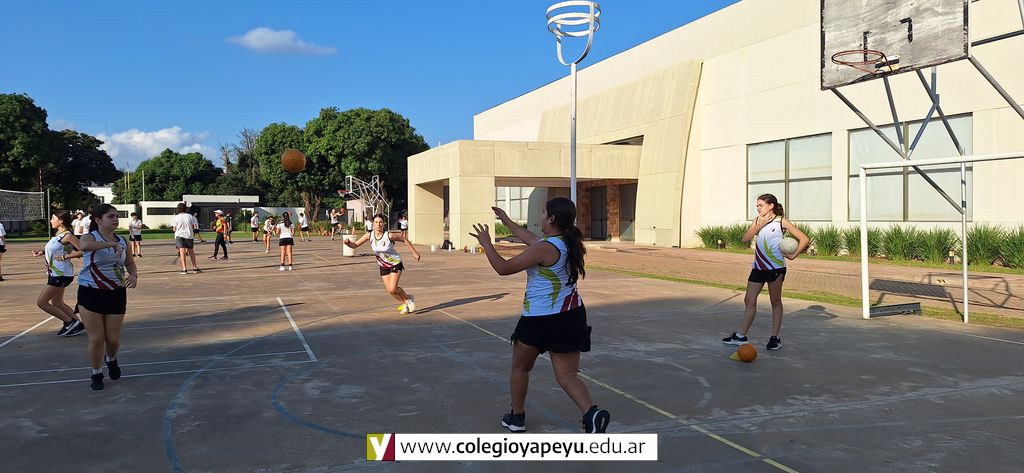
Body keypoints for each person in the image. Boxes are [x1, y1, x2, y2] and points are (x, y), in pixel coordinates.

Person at [470, 197, 610, 434]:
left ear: (551, 218)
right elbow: (531, 240)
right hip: (571, 315)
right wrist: (506, 220)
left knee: (520, 368)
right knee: (567, 375)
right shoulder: (566, 242)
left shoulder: (543, 248)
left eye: (543, 212)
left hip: (540, 318)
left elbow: (503, 268)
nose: (540, 216)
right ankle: (591, 414)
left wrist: (486, 243)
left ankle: (517, 417)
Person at [722, 193, 809, 351]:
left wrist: (793, 255)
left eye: (761, 205)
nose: (758, 208)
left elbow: (804, 239)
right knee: (749, 300)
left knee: (775, 301)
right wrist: (759, 225)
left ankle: (775, 338)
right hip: (758, 267)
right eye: (757, 205)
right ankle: (741, 336)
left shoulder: (781, 221)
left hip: (775, 268)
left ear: (771, 206)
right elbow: (744, 239)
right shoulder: (757, 221)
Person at [76, 204, 138, 391]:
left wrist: (133, 275)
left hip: (115, 292)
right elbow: (84, 246)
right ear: (98, 220)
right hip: (90, 291)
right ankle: (96, 373)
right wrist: (110, 244)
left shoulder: (123, 240)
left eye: (117, 216)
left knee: (112, 340)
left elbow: (130, 263)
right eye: (111, 216)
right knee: (96, 339)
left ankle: (110, 359)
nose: (115, 219)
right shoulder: (90, 237)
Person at [343, 214, 421, 314]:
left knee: (393, 288)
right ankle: (405, 303)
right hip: (383, 265)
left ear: (384, 224)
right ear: (373, 224)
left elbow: (404, 239)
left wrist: (414, 252)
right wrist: (348, 243)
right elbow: (354, 245)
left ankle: (408, 299)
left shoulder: (389, 235)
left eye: (380, 222)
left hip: (395, 263)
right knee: (390, 291)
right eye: (376, 222)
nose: (378, 224)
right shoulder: (369, 236)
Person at [31, 210, 86, 337]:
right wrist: (42, 252)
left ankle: (69, 322)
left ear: (61, 221)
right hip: (56, 274)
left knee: (42, 302)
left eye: (53, 218)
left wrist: (65, 257)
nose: (51, 220)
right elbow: (56, 249)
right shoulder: (58, 235)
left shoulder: (68, 236)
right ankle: (77, 324)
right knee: (57, 302)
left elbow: (84, 251)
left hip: (60, 274)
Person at [170, 203, 202, 274]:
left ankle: (184, 269)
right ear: (185, 209)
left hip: (180, 235)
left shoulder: (176, 217)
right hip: (189, 235)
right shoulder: (190, 216)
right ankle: (195, 267)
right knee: (191, 251)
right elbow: (194, 226)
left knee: (182, 251)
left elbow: (174, 229)